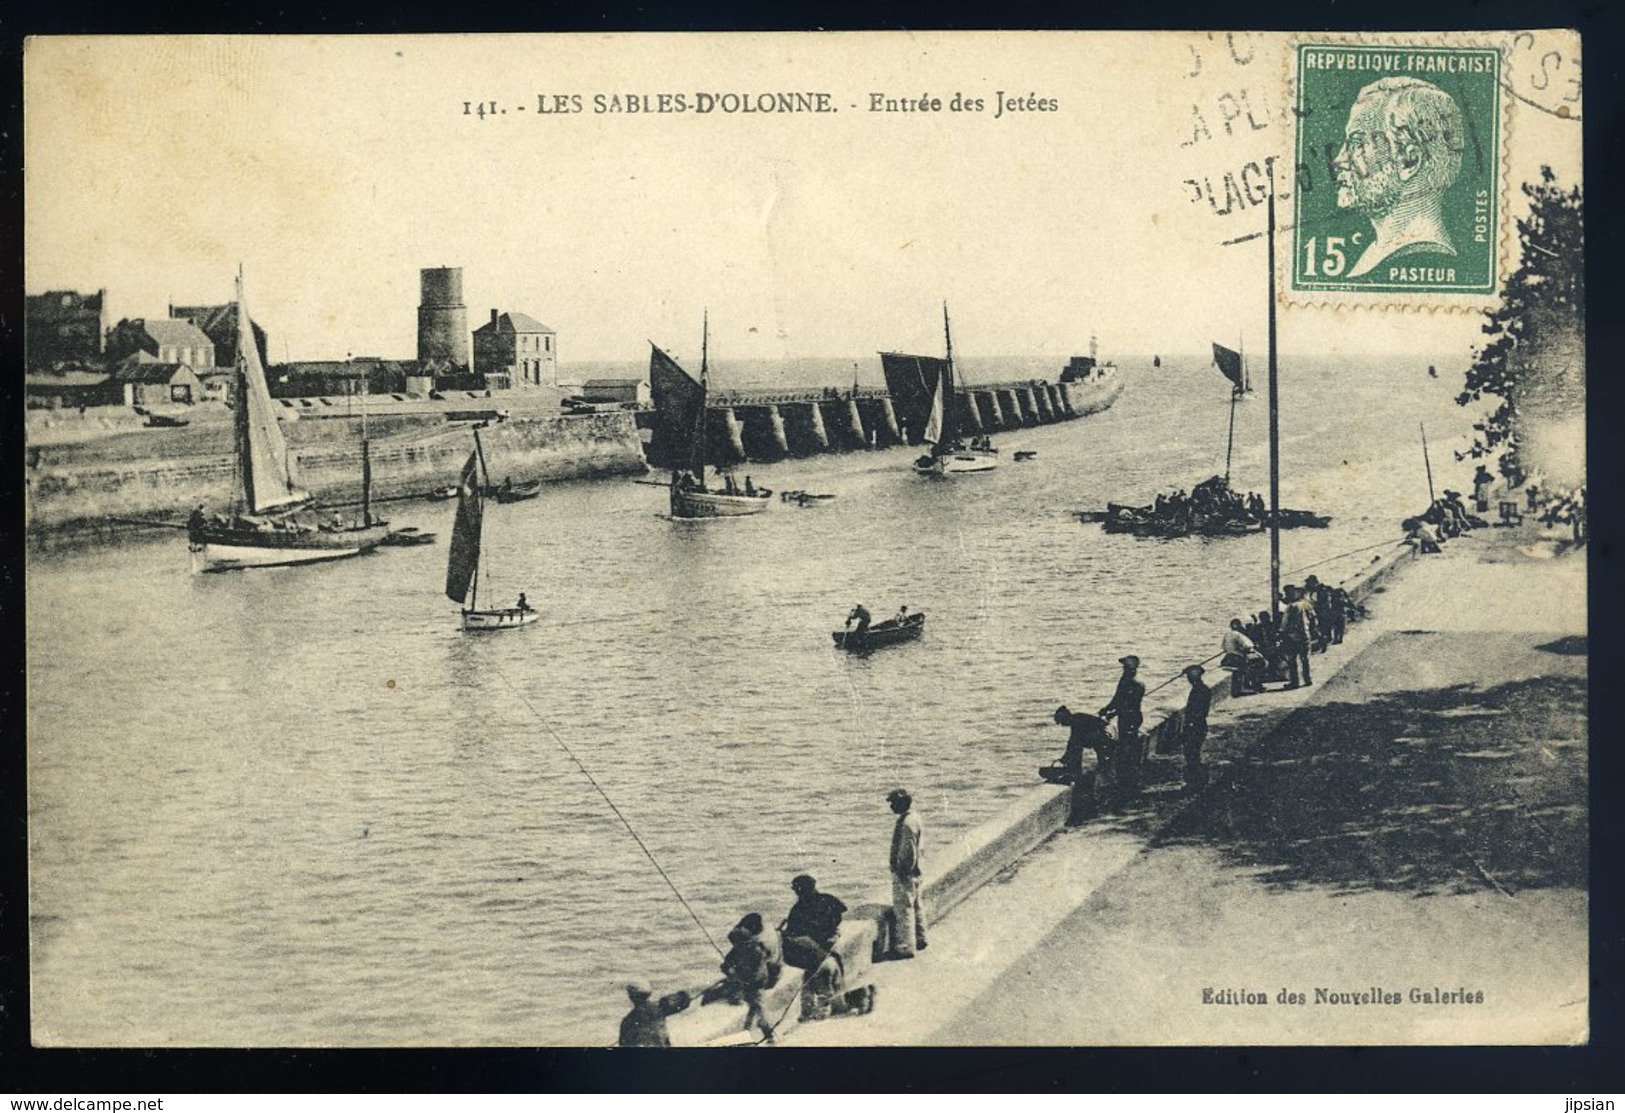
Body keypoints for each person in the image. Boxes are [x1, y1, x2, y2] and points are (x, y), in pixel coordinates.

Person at [1331, 76, 1465, 278]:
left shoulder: (1421, 256)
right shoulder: (1377, 254)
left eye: (1357, 143)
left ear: (1408, 161)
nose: (1339, 159)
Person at [781, 875, 848, 1022]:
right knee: (831, 970)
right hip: (828, 944)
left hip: (812, 950)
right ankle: (836, 1004)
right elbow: (842, 910)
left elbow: (793, 932)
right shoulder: (827, 899)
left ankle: (811, 1012)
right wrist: (832, 929)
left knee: (812, 975)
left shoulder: (798, 909)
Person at [716, 916, 777, 1043]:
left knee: (757, 1006)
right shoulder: (738, 950)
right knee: (753, 1005)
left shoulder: (757, 951)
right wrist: (728, 968)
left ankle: (769, 1034)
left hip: (757, 982)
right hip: (746, 981)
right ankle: (747, 1029)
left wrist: (741, 977)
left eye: (740, 943)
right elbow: (727, 963)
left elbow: (759, 972)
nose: (737, 946)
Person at [886, 788, 927, 959]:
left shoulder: (906, 824)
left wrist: (902, 870)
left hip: (907, 873)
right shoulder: (915, 818)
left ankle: (905, 947)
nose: (891, 807)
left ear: (902, 804)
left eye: (893, 803)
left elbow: (907, 851)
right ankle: (920, 937)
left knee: (904, 909)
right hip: (917, 870)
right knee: (917, 905)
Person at [1098, 655, 1146, 803]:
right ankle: (1129, 786)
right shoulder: (1132, 682)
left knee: (1127, 751)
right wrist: (1108, 709)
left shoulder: (1132, 684)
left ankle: (1128, 787)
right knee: (1127, 749)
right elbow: (1118, 700)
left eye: (1125, 667)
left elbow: (1122, 702)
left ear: (1131, 669)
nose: (1124, 670)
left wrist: (1110, 711)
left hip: (1129, 719)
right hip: (1128, 718)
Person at [1053, 705, 1112, 823]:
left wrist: (1063, 760)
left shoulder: (1076, 721)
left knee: (1077, 745)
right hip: (1104, 738)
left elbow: (1073, 742)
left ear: (1066, 717)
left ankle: (1076, 772)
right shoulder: (1077, 719)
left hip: (1104, 739)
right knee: (1077, 746)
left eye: (1061, 721)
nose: (1061, 725)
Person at [617, 979, 689, 1047]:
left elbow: (624, 1044)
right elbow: (683, 999)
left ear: (631, 996)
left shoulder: (628, 1020)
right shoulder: (660, 1007)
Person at [1180, 664, 1213, 791]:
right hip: (1198, 725)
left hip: (1196, 726)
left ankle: (1196, 782)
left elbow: (1197, 712)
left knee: (1192, 753)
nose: (1188, 679)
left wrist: (1188, 727)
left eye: (1189, 676)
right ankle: (1198, 781)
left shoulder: (1199, 691)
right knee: (1193, 753)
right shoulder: (1202, 689)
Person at [1280, 586, 1316, 689]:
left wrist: (1282, 634)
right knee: (1305, 659)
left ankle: (1294, 682)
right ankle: (1307, 679)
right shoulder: (1306, 605)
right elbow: (1313, 619)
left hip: (1292, 637)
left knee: (1292, 660)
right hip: (1305, 635)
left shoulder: (1291, 607)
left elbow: (1284, 624)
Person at [1221, 618, 1264, 696]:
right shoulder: (1238, 634)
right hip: (1237, 658)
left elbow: (1224, 647)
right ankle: (1251, 686)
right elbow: (1248, 646)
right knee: (1259, 662)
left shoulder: (1227, 634)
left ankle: (1240, 688)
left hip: (1228, 658)